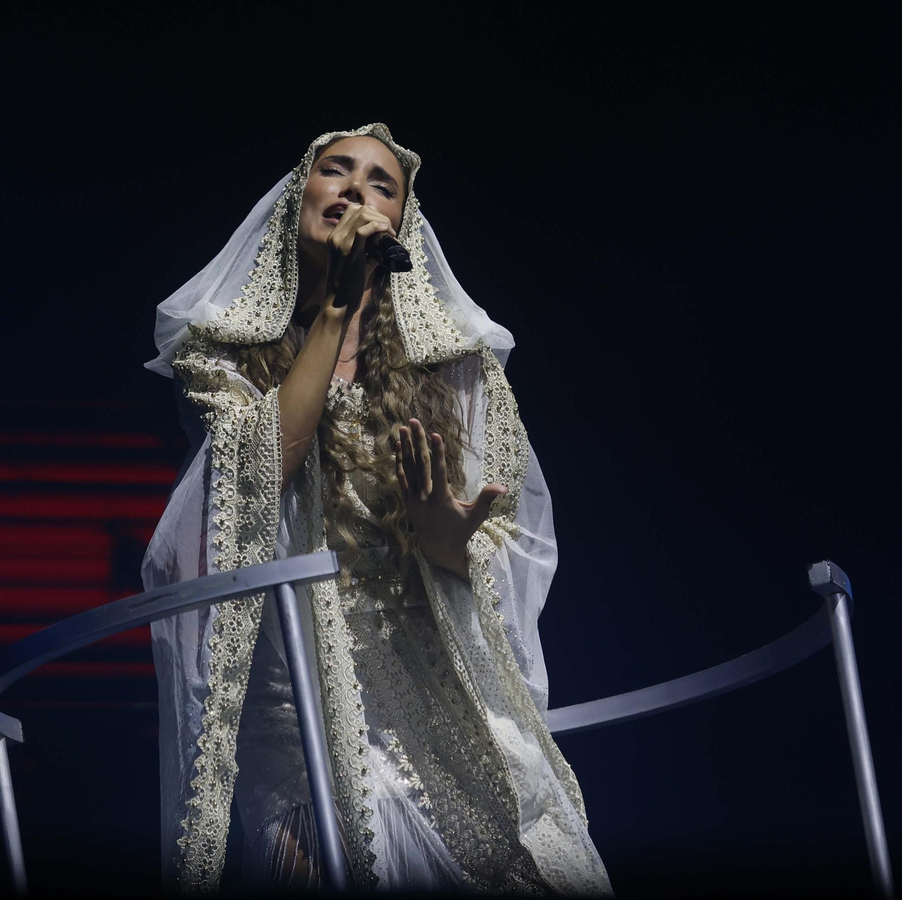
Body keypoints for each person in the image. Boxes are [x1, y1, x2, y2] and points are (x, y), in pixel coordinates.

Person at [142, 124, 612, 893]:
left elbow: (513, 540)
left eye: (382, 184)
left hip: (433, 696)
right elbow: (257, 478)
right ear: (301, 198)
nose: (357, 190)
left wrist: (451, 546)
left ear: (401, 226)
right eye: (337, 172)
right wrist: (335, 311)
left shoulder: (453, 370)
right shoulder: (221, 353)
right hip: (297, 711)